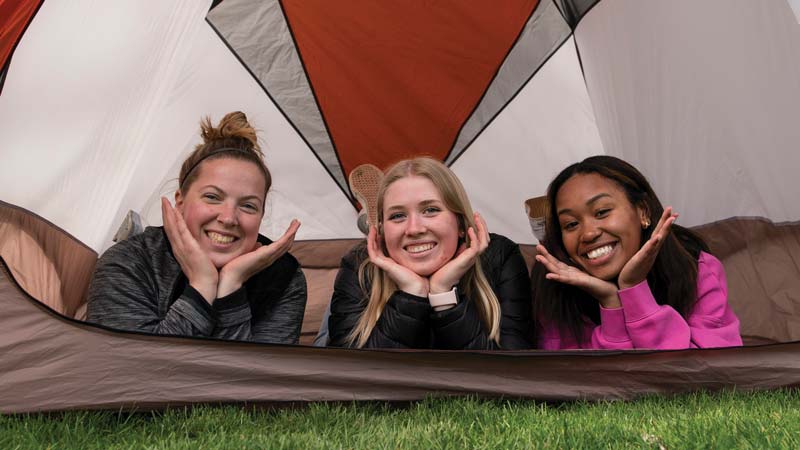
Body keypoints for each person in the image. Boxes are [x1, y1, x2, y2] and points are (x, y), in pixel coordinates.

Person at [87, 112, 307, 343]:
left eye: (249, 206)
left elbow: (254, 378)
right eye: (212, 197)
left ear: (261, 216)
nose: (229, 218)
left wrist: (231, 286)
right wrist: (202, 285)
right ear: (180, 201)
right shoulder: (129, 262)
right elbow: (133, 371)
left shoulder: (283, 278)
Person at [532, 155, 742, 350]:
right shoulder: (553, 287)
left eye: (602, 212)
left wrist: (634, 289)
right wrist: (611, 303)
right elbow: (587, 380)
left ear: (642, 211)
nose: (588, 234)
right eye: (571, 224)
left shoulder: (696, 268)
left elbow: (705, 371)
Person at [328, 157, 533, 349]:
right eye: (398, 215)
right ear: (382, 230)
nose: (414, 229)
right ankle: (369, 221)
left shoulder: (500, 258)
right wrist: (411, 295)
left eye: (430, 210)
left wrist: (443, 296)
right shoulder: (359, 265)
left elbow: (509, 375)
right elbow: (353, 376)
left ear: (461, 223)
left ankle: (370, 219)